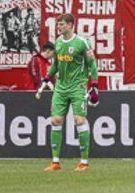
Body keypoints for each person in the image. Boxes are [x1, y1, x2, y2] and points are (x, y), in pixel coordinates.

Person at [36, 13, 99, 172]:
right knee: (56, 120)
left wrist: (95, 85)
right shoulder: (57, 43)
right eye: (58, 24)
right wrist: (47, 78)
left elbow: (92, 64)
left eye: (62, 24)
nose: (59, 26)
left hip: (78, 87)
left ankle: (84, 162)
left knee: (79, 120)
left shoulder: (82, 43)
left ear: (71, 25)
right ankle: (55, 162)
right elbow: (56, 64)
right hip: (61, 88)